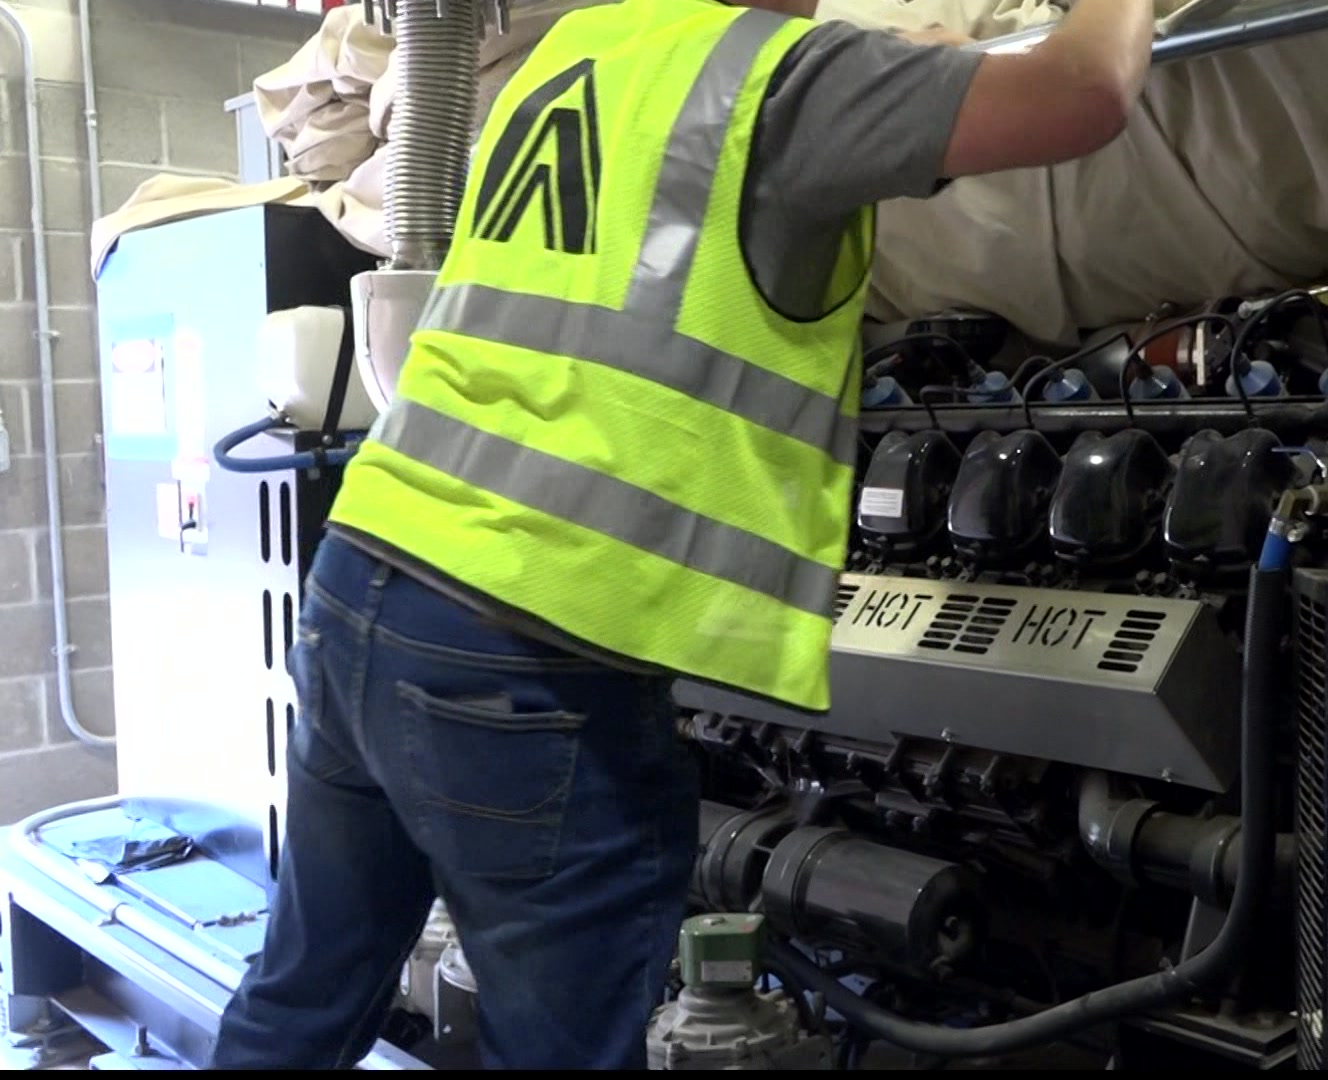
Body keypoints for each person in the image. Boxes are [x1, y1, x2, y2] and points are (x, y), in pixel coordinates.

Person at [209, 0, 1155, 1069]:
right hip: (527, 645)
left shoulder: (580, 51)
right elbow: (1084, 93)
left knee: (303, 995)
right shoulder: (779, 78)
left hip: (367, 576)